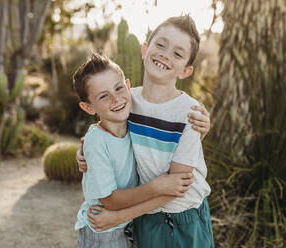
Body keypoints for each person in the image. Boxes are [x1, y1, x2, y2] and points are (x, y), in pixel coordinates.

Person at [83, 15, 214, 248]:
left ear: (186, 70)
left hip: (183, 219)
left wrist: (120, 216)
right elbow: (103, 133)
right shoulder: (125, 99)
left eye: (177, 53)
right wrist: (83, 152)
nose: (165, 54)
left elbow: (176, 188)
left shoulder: (190, 114)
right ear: (145, 49)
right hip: (144, 215)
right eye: (160, 45)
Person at [73, 53, 195, 248]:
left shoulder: (134, 121)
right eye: (103, 96)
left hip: (129, 223)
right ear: (88, 107)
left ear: (128, 86)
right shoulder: (96, 142)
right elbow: (110, 201)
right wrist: (158, 187)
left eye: (119, 88)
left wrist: (202, 128)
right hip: (104, 231)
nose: (116, 99)